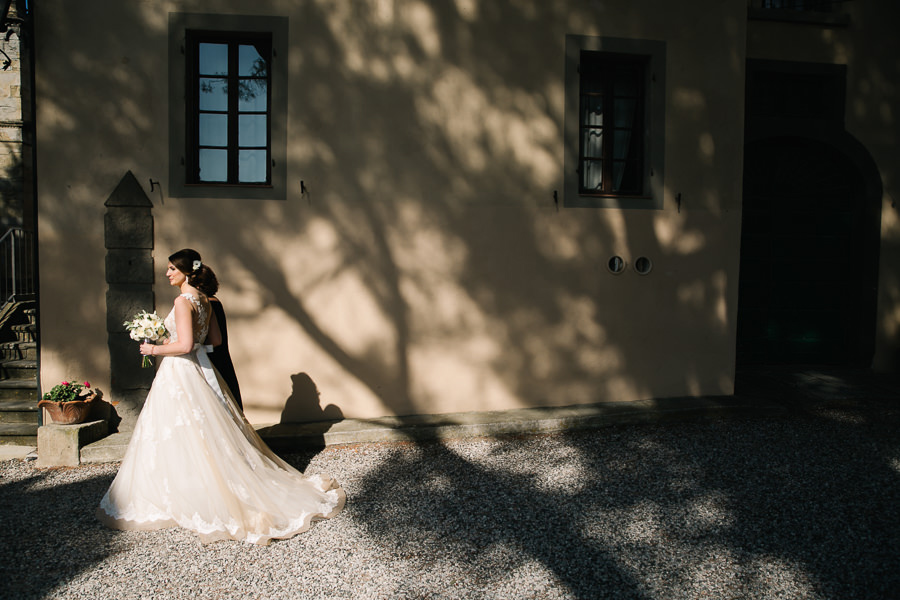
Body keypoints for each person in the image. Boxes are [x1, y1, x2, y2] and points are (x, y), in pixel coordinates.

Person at [97, 249, 344, 544]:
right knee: (200, 429)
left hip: (180, 371)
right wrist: (177, 342)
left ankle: (188, 492)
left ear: (186, 272)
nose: (167, 273)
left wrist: (155, 349)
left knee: (177, 429)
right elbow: (214, 340)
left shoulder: (181, 301)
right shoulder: (205, 300)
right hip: (199, 371)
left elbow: (186, 344)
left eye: (171, 269)